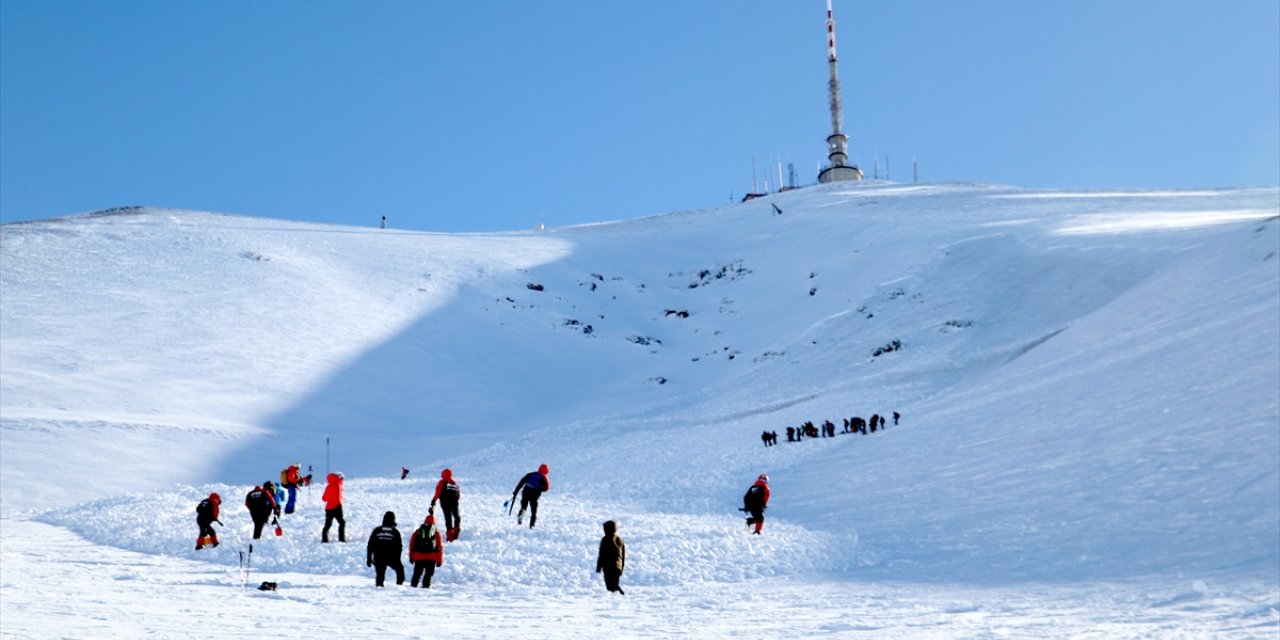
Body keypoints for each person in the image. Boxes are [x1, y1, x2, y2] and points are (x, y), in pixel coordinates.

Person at [366, 511, 405, 587]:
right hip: (391, 558)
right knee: (400, 571)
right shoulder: (395, 532)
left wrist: (369, 558)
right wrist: (397, 559)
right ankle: (399, 587)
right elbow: (399, 547)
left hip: (378, 557)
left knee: (380, 576)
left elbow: (370, 545)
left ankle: (379, 590)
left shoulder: (377, 530)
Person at [408, 514, 444, 588]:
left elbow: (412, 545)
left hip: (418, 557)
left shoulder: (418, 532)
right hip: (431, 558)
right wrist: (439, 560)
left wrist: (411, 557)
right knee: (428, 575)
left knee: (416, 575)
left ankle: (412, 588)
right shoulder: (436, 533)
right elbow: (439, 548)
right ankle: (425, 590)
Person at [511, 464, 551, 529]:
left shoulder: (531, 474)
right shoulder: (544, 477)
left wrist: (516, 491)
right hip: (535, 494)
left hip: (526, 491)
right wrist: (541, 489)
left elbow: (522, 482)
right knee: (533, 510)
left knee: (524, 505)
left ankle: (522, 512)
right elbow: (546, 488)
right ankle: (532, 526)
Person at [595, 520, 626, 595]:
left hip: (609, 567)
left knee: (610, 586)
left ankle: (621, 596)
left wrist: (599, 568)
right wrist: (621, 567)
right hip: (618, 567)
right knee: (614, 585)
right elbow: (623, 555)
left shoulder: (605, 539)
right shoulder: (620, 539)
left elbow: (602, 554)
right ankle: (620, 597)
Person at [430, 468, 462, 542]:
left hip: (445, 503)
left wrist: (434, 500)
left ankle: (450, 536)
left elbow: (438, 492)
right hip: (454, 504)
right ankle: (456, 532)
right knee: (457, 517)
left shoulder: (442, 482)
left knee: (448, 518)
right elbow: (458, 495)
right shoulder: (454, 483)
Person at [321, 472, 346, 543]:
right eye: (342, 478)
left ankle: (324, 539)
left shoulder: (329, 486)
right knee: (342, 522)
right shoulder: (338, 485)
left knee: (328, 524)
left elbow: (324, 498)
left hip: (329, 508)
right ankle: (341, 539)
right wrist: (338, 504)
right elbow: (338, 497)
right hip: (337, 506)